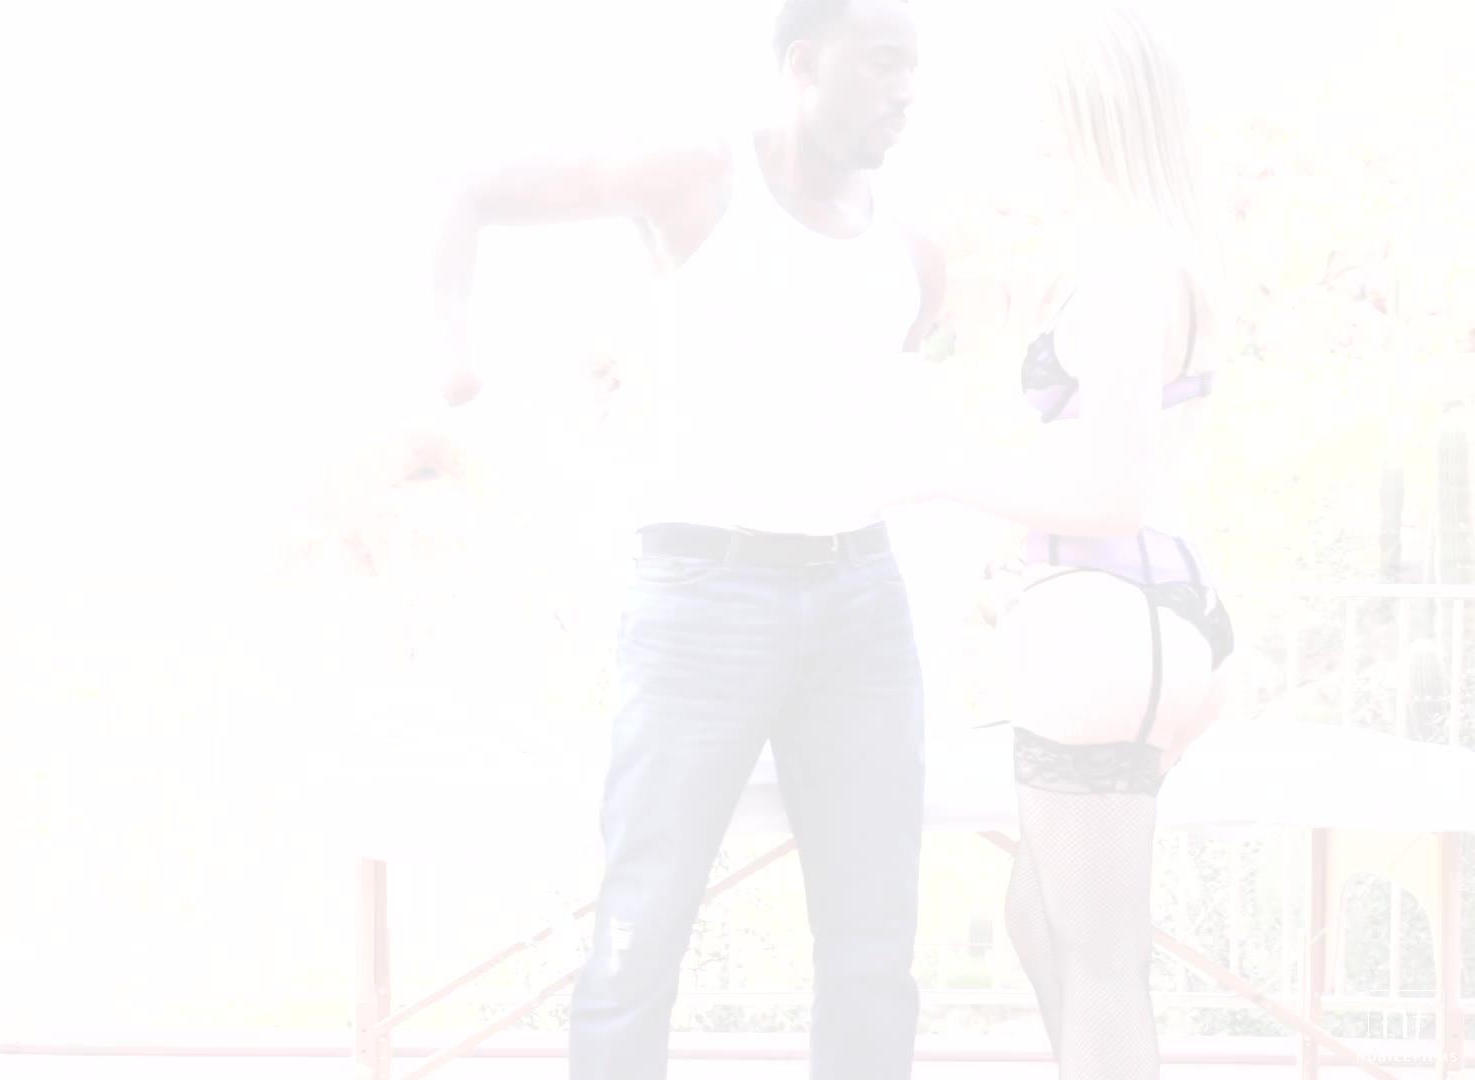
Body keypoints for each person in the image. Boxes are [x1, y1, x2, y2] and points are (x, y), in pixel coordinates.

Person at [430, 1, 942, 1075]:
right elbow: (472, 186)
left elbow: (881, 422)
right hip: (706, 593)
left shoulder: (910, 247)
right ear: (805, 64)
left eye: (916, 69)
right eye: (883, 64)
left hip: (863, 605)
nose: (907, 90)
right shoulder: (704, 179)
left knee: (874, 947)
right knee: (642, 926)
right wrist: (449, 339)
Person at [894, 5, 1237, 1075]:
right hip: (1151, 616)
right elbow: (1116, 465)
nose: (1030, 128)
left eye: (1042, 106)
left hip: (1106, 619)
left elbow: (1111, 494)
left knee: (1097, 966)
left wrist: (939, 472)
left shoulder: (1129, 270)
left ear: (1090, 113)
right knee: (1048, 926)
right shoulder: (1159, 256)